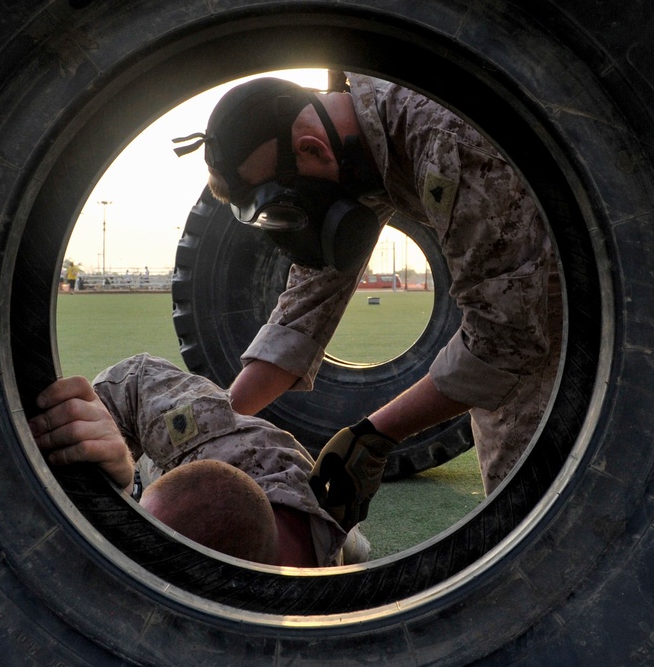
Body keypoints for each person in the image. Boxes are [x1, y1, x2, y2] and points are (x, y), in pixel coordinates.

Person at [173, 73, 562, 531]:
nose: (294, 224)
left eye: (287, 207)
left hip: (611, 314)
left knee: (535, 514)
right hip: (541, 315)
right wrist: (213, 431)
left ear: (313, 149)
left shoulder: (443, 143)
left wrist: (374, 435)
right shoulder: (356, 153)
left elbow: (507, 337)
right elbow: (304, 309)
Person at [27, 353, 362, 567]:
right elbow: (135, 380)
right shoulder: (221, 442)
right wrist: (106, 463)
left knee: (353, 548)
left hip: (313, 537)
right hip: (225, 465)